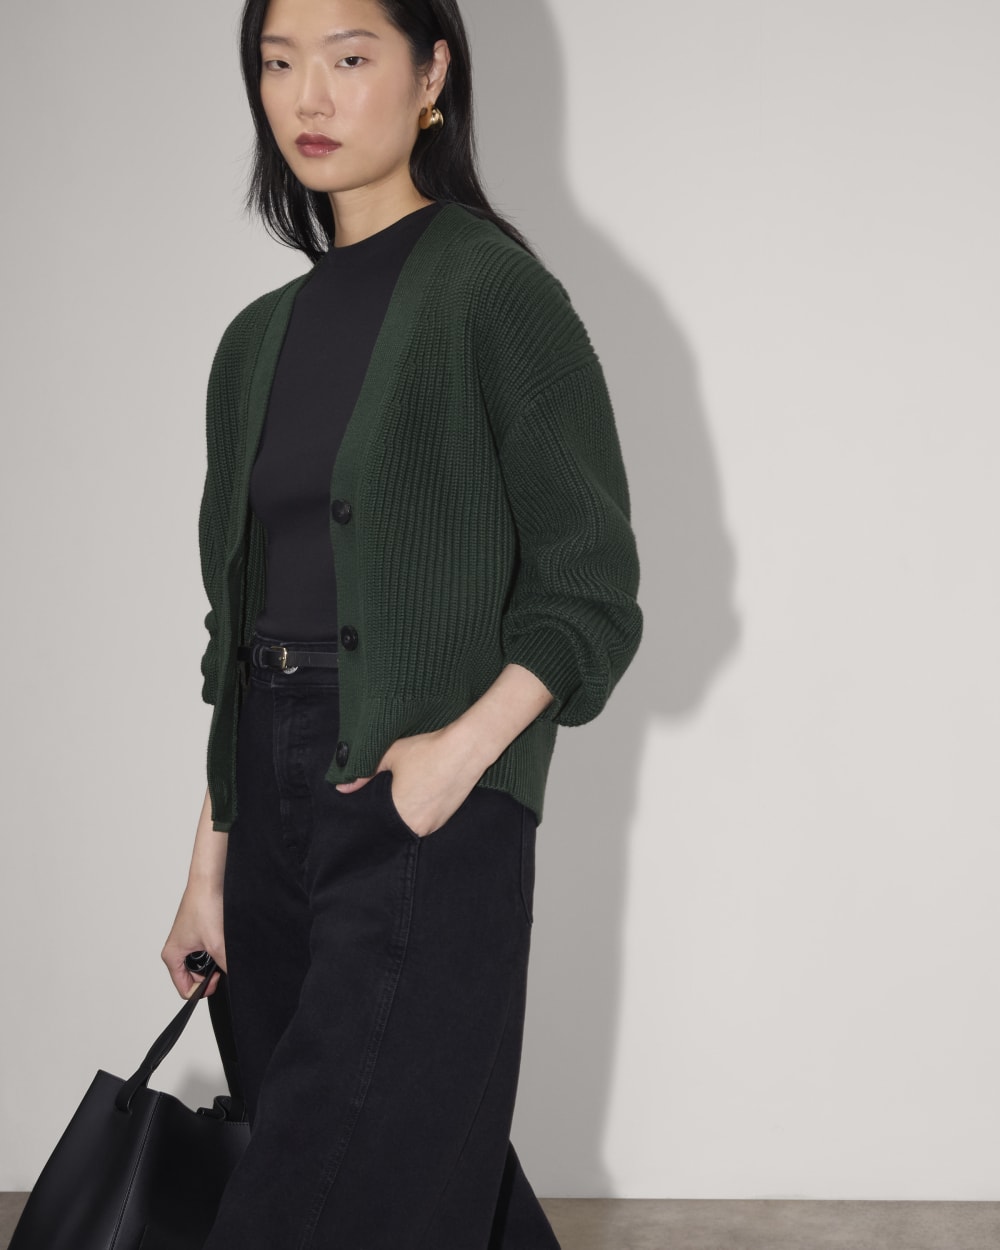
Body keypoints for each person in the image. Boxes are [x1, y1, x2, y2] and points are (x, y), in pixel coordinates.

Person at [160, 0, 642, 1245]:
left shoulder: (494, 292)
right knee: (405, 1178)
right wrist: (208, 869)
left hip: (420, 794)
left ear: (432, 75)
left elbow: (588, 587)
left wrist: (452, 760)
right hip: (266, 802)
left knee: (324, 1193)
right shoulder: (252, 343)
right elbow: (233, 634)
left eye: (349, 57)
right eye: (278, 63)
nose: (308, 97)